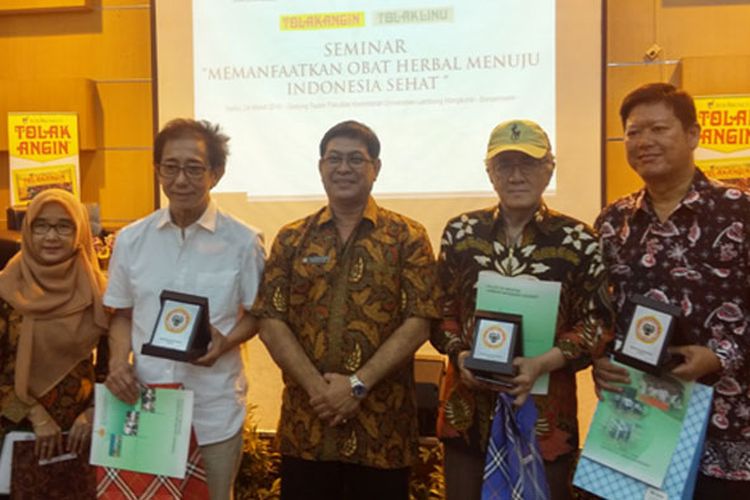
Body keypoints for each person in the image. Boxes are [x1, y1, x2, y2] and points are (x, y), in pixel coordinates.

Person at [251, 120, 440, 500]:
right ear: (321, 167)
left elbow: (419, 321)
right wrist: (319, 390)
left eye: (356, 159)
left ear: (376, 168)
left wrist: (356, 385)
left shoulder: (407, 236)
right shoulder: (292, 237)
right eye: (334, 159)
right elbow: (271, 321)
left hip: (382, 430)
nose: (344, 168)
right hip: (308, 426)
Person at [430, 120, 613, 500]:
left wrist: (542, 363)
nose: (516, 176)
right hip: (468, 413)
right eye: (504, 165)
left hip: (545, 417)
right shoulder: (461, 232)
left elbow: (596, 322)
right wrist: (460, 356)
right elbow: (440, 310)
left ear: (550, 169)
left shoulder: (579, 240)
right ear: (489, 173)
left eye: (528, 164)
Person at [593, 83, 750, 497]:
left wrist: (720, 356)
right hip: (636, 423)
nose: (644, 142)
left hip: (728, 426)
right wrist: (600, 359)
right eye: (633, 132)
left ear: (693, 135)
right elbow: (603, 311)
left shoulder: (740, 210)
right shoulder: (612, 221)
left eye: (659, 129)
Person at [103, 119, 265, 500]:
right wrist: (117, 363)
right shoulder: (131, 240)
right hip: (145, 402)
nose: (180, 180)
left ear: (216, 173)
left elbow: (258, 315)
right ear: (157, 170)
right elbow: (121, 314)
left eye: (194, 168)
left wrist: (226, 343)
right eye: (170, 167)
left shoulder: (243, 242)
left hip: (213, 408)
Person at [0, 189, 108, 461]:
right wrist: (36, 416)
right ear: (27, 230)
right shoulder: (5, 290)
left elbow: (110, 369)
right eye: (41, 226)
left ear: (80, 231)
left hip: (81, 437)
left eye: (64, 226)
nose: (51, 236)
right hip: (12, 431)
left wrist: (95, 411)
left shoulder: (99, 292)